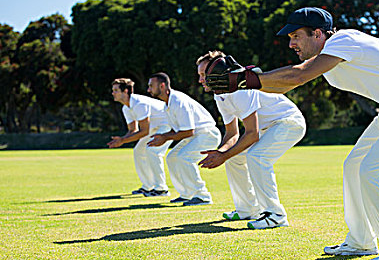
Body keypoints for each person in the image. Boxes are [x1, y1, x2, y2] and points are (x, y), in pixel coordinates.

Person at [205, 7, 379, 260]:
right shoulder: (328, 57)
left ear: (318, 33)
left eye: (296, 36)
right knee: (353, 166)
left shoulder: (344, 41)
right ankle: (361, 241)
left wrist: (247, 79)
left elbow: (298, 75)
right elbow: (287, 84)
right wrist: (244, 82)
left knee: (372, 173)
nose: (291, 43)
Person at [196, 51, 306, 230]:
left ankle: (275, 215)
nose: (200, 80)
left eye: (203, 75)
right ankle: (247, 208)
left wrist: (223, 155)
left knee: (257, 156)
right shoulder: (220, 94)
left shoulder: (240, 90)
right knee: (234, 158)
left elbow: (252, 134)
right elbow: (232, 133)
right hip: (266, 128)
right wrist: (221, 152)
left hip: (289, 122)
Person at [147, 72, 221, 206]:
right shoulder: (167, 104)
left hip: (208, 134)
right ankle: (187, 194)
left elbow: (188, 131)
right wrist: (162, 137)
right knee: (172, 158)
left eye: (151, 86)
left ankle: (202, 196)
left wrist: (164, 137)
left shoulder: (178, 101)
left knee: (183, 157)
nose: (148, 89)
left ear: (162, 86)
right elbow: (177, 130)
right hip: (196, 136)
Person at [109, 78, 172, 197]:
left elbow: (144, 131)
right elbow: (133, 130)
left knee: (152, 151)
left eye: (116, 90)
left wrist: (122, 141)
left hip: (167, 124)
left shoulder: (139, 103)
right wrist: (121, 140)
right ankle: (148, 186)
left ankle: (162, 189)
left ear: (126, 91)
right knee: (138, 151)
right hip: (153, 127)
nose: (113, 93)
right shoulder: (126, 108)